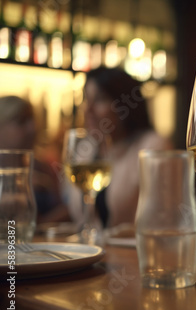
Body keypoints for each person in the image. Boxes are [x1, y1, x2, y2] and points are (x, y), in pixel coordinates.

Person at [68, 67, 172, 228]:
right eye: (86, 100)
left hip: (133, 252)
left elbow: (165, 218)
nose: (88, 110)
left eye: (100, 100)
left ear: (124, 104)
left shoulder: (153, 147)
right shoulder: (86, 149)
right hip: (91, 251)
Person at [0, 95, 69, 224]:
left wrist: (36, 225)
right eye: (22, 121)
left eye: (32, 120)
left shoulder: (44, 166)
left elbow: (67, 209)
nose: (32, 128)